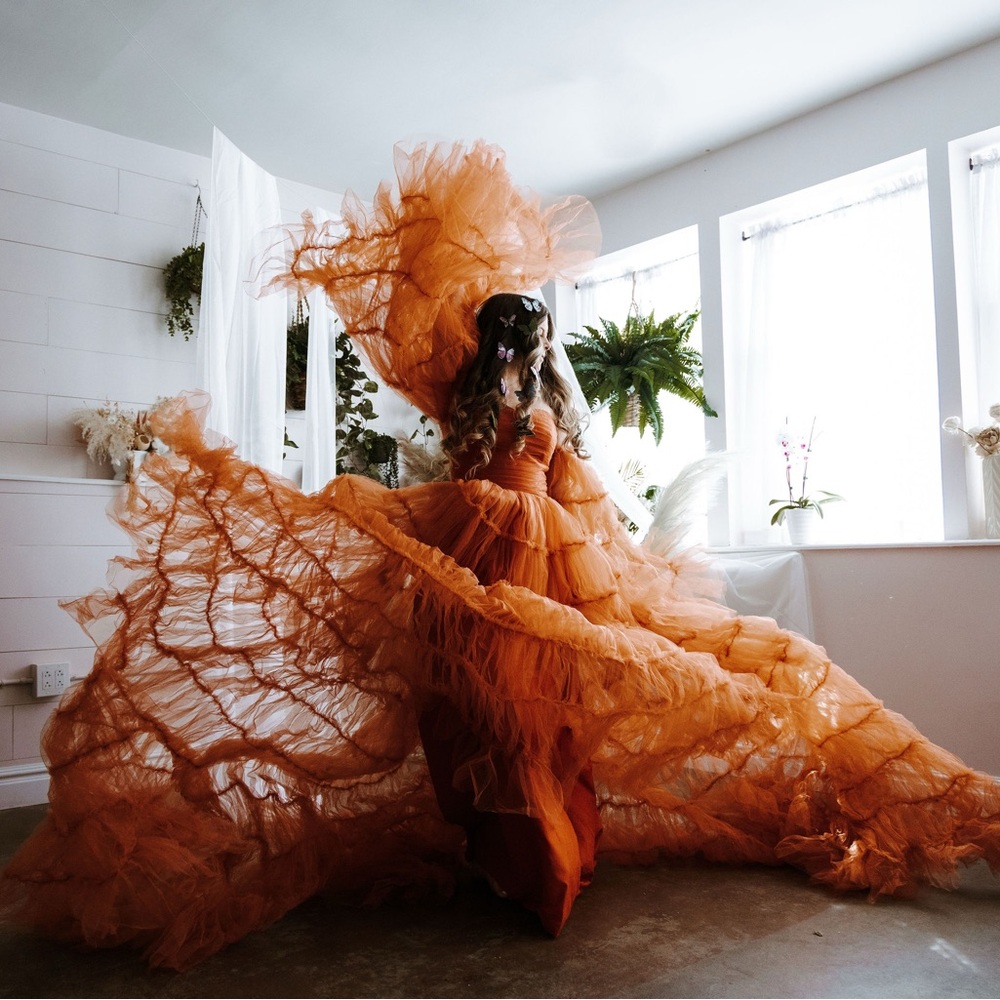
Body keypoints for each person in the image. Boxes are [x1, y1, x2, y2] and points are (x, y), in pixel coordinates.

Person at [2, 141, 998, 971]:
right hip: (492, 562)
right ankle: (530, 865)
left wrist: (602, 549)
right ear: (519, 347)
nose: (538, 353)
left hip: (518, 566)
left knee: (528, 723)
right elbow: (529, 486)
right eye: (535, 340)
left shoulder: (508, 411)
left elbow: (564, 492)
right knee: (494, 721)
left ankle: (541, 865)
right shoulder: (499, 410)